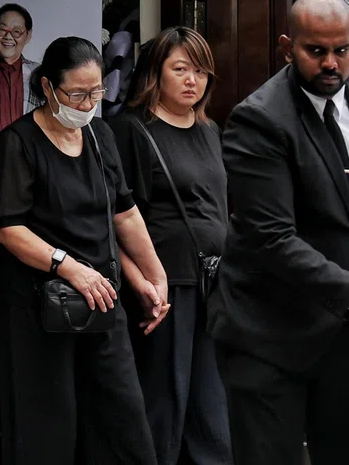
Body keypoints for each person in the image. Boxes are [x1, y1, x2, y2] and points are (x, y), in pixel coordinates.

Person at [207, 0, 349, 465]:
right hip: (268, 331)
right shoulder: (259, 119)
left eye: (341, 50)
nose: (331, 63)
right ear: (287, 47)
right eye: (315, 51)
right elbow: (272, 238)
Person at [0, 36, 171, 464]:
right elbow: (8, 227)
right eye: (77, 94)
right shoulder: (18, 142)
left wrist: (153, 275)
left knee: (123, 422)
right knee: (49, 428)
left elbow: (125, 214)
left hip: (102, 302)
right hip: (42, 308)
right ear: (48, 88)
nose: (88, 103)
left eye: (96, 92)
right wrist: (67, 266)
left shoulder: (101, 135)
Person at [111, 27, 233, 465]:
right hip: (163, 288)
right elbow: (115, 218)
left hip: (213, 285)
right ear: (154, 74)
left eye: (200, 71)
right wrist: (139, 280)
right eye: (180, 69)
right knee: (163, 402)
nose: (192, 81)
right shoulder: (130, 131)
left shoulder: (210, 130)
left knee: (211, 404)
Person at [0, 3, 43, 135]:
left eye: (16, 31)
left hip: (27, 152)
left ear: (28, 35)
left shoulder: (38, 73)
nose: (8, 37)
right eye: (2, 30)